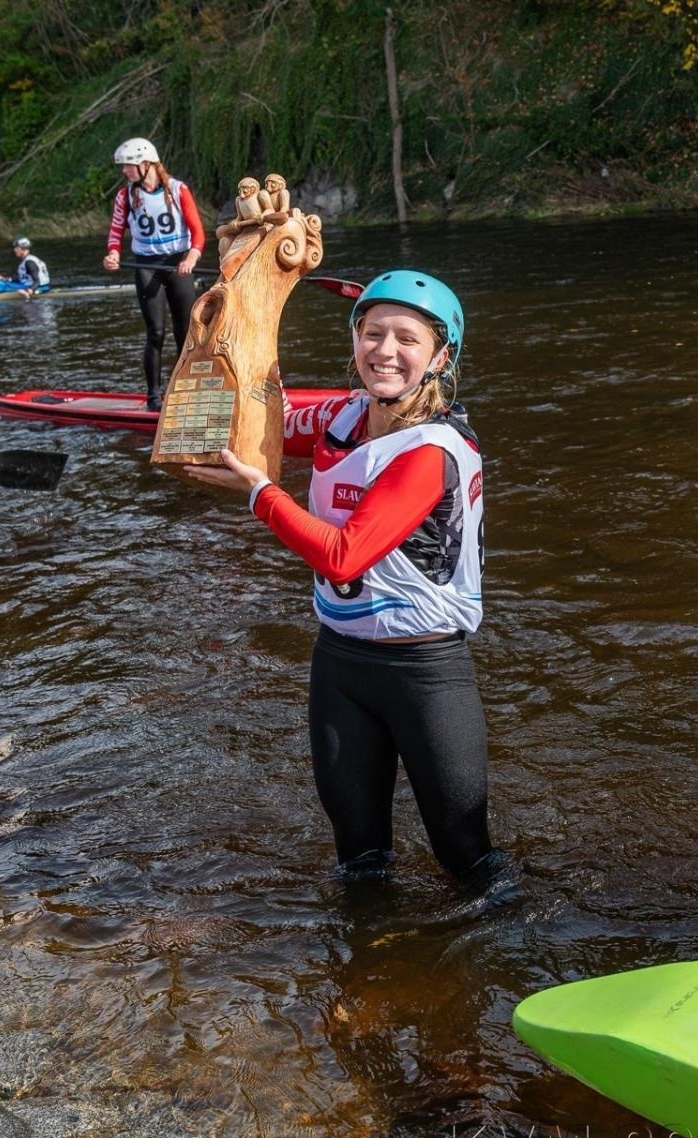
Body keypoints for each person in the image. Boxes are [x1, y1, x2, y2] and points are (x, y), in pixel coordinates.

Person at [184, 269, 498, 881]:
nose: (385, 351)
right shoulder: (343, 414)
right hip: (340, 668)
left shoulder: (432, 452)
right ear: (354, 341)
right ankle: (365, 969)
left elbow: (343, 555)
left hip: (426, 675)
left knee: (466, 860)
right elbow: (255, 401)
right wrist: (216, 348)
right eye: (372, 333)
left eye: (407, 340)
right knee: (358, 861)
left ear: (440, 357)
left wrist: (259, 494)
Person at [103, 138, 206, 411]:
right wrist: (113, 254)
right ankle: (153, 397)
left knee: (185, 332)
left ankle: (187, 392)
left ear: (146, 164)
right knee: (155, 332)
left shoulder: (177, 189)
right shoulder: (125, 196)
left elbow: (197, 231)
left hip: (178, 264)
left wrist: (192, 256)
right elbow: (115, 233)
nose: (125, 171)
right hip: (146, 266)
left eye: (129, 165)